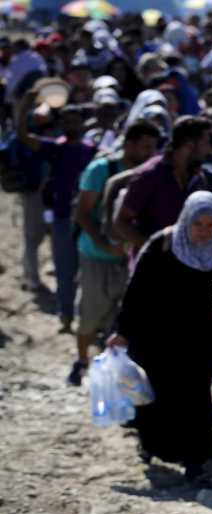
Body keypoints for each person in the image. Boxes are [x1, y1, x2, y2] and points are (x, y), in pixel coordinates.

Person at [107, 192, 212, 480]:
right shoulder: (163, 243)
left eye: (210, 225)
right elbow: (136, 290)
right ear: (187, 219)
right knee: (157, 392)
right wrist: (122, 331)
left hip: (198, 332)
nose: (204, 231)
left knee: (195, 395)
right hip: (156, 332)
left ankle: (194, 459)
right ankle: (151, 445)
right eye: (198, 224)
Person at [68, 120, 162, 386]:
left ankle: (116, 374)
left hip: (130, 260)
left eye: (153, 147)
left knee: (123, 322)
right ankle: (82, 360)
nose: (150, 152)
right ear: (129, 144)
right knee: (91, 314)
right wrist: (103, 244)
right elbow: (83, 213)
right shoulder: (101, 169)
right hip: (97, 256)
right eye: (145, 146)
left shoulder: (150, 174)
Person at [16, 90, 97, 332]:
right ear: (61, 124)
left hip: (88, 219)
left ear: (82, 124)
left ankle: (88, 317)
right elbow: (24, 137)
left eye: (75, 120)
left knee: (87, 271)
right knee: (64, 269)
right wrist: (24, 110)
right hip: (62, 217)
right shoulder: (55, 148)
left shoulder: (92, 151)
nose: (71, 125)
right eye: (67, 121)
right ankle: (66, 315)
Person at [114, 116, 212, 251]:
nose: (209, 150)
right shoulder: (149, 176)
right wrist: (153, 249)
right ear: (189, 144)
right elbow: (121, 222)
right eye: (206, 143)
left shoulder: (199, 179)